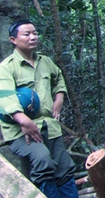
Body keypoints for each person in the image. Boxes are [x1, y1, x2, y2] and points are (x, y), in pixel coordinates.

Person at [0, 19, 79, 198]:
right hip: (21, 130)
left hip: (49, 126)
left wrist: (59, 97)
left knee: (64, 166)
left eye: (35, 33)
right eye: (27, 34)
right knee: (42, 159)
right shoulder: (6, 67)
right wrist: (24, 120)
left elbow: (58, 77)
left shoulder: (45, 61)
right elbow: (4, 97)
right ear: (13, 40)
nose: (33, 37)